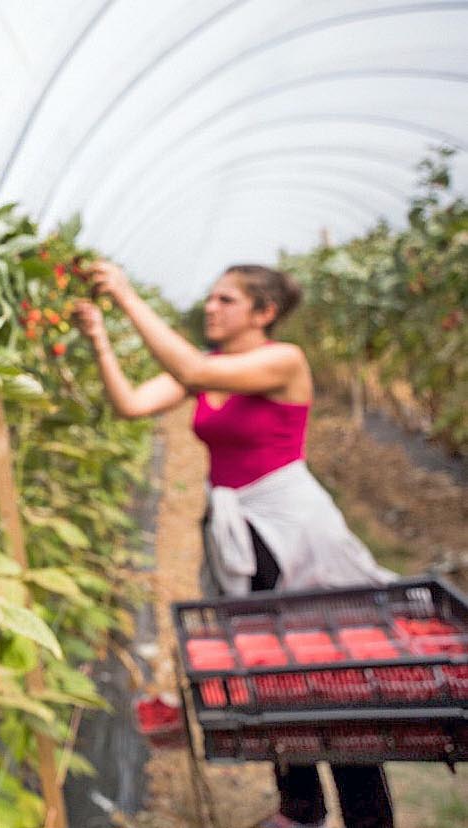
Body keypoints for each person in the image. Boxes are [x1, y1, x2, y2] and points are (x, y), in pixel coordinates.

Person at [73, 262, 395, 828]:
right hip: (237, 529)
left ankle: (367, 817)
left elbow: (192, 369)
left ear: (263, 313)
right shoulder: (214, 369)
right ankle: (301, 807)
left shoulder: (283, 360)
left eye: (226, 300)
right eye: (211, 297)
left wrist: (126, 295)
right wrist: (100, 340)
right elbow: (131, 403)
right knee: (261, 667)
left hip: (292, 527)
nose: (210, 308)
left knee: (330, 671)